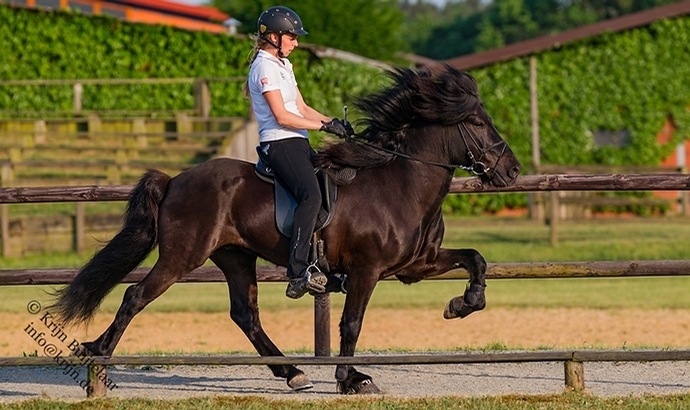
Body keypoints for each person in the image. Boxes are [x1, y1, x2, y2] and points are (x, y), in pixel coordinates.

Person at [244, 6, 352, 299]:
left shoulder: (283, 65)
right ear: (274, 37)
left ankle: (323, 265)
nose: (296, 42)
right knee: (311, 196)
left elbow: (301, 109)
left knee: (333, 183)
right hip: (279, 142)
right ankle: (297, 272)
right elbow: (282, 116)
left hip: (297, 141)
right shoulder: (264, 67)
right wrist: (323, 129)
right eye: (291, 37)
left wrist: (332, 122)